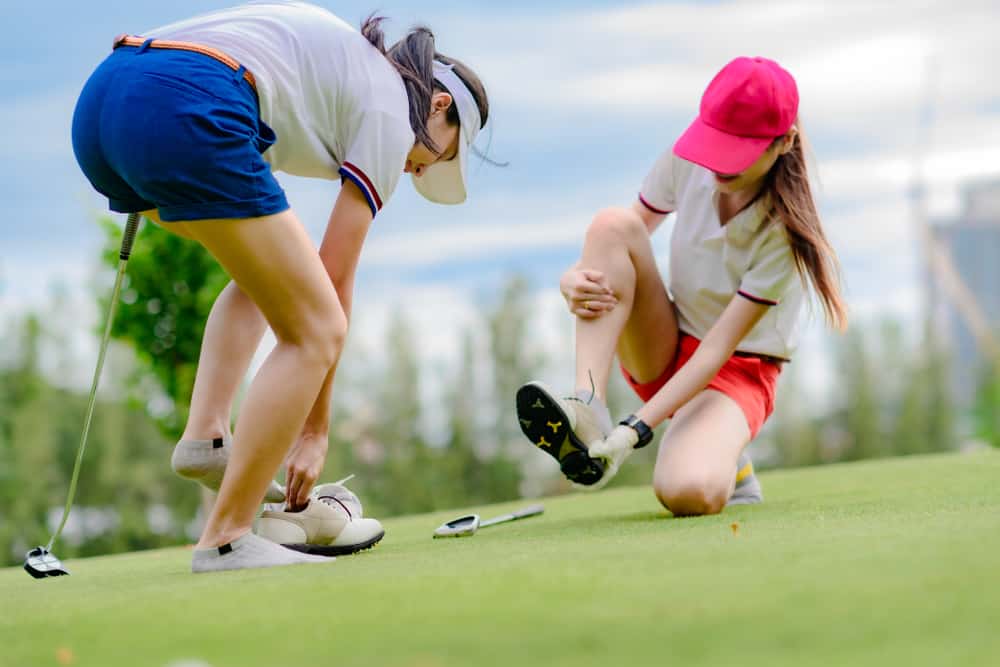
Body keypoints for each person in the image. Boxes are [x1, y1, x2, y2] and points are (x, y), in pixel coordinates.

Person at [71, 0, 490, 572]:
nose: (424, 168)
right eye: (441, 151)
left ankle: (206, 437)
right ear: (439, 106)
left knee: (269, 277)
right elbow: (335, 278)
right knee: (318, 327)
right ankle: (227, 537)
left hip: (103, 105)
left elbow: (299, 275)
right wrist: (313, 432)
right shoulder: (394, 110)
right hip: (187, 101)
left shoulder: (340, 73)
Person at [515, 56, 847, 515]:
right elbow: (620, 239)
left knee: (688, 493)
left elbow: (715, 352)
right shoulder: (685, 159)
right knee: (612, 222)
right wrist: (571, 278)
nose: (718, 162)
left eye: (738, 148)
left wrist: (635, 431)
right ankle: (587, 405)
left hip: (735, 372)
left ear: (783, 142)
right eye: (717, 140)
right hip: (665, 344)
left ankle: (732, 464)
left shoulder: (783, 234)